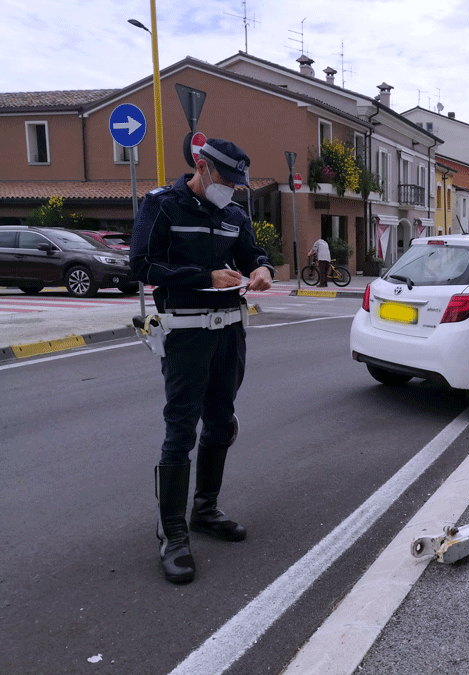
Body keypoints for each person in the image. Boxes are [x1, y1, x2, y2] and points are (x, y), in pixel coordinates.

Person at [131, 138, 274, 584]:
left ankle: (205, 510)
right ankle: (171, 532)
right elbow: (142, 265)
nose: (230, 189)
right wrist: (202, 276)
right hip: (186, 333)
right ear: (202, 166)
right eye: (226, 180)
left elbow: (251, 252)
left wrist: (263, 268)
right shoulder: (162, 205)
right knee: (181, 429)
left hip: (230, 329)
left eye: (237, 184)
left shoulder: (234, 214)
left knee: (220, 421)